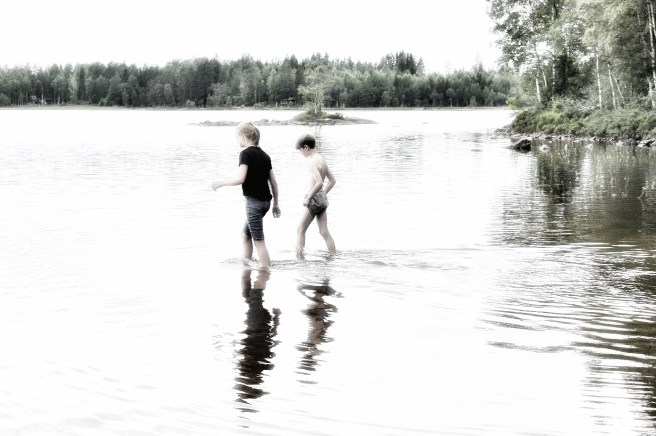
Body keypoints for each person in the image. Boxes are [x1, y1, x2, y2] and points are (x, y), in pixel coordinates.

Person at [212, 122, 281, 269]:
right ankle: (246, 264)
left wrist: (221, 183)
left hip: (254, 203)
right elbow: (274, 182)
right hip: (266, 203)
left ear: (243, 137)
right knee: (246, 234)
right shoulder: (265, 155)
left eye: (237, 137)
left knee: (259, 240)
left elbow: (241, 179)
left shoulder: (245, 154)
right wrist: (276, 204)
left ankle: (266, 269)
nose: (237, 141)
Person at [295, 133, 336, 258]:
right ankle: (333, 256)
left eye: (300, 150)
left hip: (313, 200)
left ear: (306, 147)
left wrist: (308, 197)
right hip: (321, 200)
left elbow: (319, 183)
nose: (301, 153)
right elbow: (332, 181)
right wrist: (323, 194)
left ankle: (299, 259)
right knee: (324, 232)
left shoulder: (312, 162)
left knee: (300, 229)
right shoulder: (322, 159)